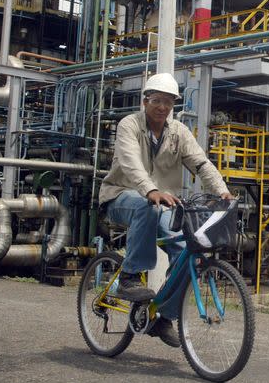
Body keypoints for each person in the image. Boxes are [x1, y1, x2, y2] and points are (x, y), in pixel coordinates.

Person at [98, 72, 232, 347]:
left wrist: (221, 190)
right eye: (157, 101)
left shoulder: (178, 132)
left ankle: (164, 317)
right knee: (146, 206)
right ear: (145, 100)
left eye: (168, 102)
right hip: (121, 196)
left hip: (163, 203)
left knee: (188, 253)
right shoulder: (129, 125)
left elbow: (201, 164)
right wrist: (150, 190)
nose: (162, 107)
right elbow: (130, 163)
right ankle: (130, 276)